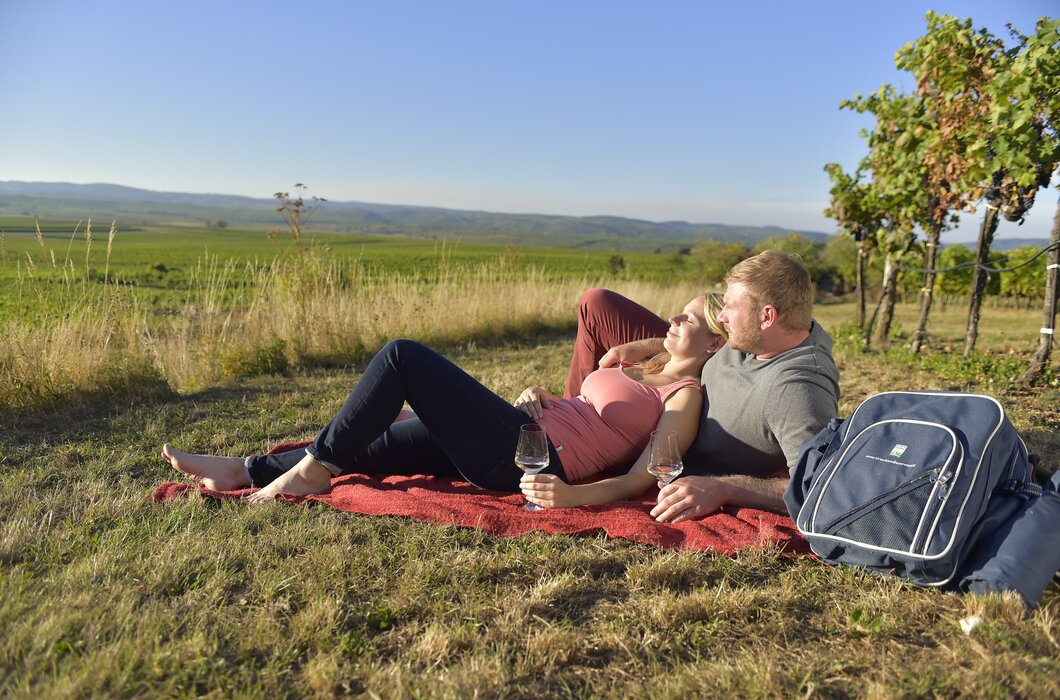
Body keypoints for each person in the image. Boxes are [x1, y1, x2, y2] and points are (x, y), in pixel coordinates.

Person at [162, 293, 728, 507]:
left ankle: (310, 471)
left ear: (717, 342)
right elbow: (594, 395)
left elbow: (647, 474)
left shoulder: (686, 394)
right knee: (372, 442)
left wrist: (575, 496)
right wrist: (543, 396)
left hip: (536, 461)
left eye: (690, 317)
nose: (673, 317)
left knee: (402, 358)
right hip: (524, 426)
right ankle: (244, 470)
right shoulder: (644, 364)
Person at [558, 250, 840, 523]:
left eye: (730, 307)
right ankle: (568, 411)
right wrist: (654, 347)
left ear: (767, 317)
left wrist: (724, 488)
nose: (721, 317)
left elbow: (815, 486)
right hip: (689, 369)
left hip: (677, 421)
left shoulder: (797, 389)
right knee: (598, 303)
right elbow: (713, 341)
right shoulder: (765, 335)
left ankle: (567, 443)